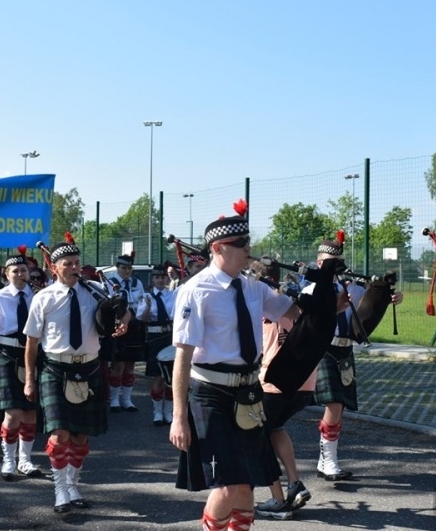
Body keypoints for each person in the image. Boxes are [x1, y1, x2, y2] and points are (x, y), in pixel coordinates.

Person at [169, 200, 301, 531]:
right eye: (241, 244)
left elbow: (296, 316)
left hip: (249, 394)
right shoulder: (195, 291)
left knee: (246, 485)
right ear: (218, 248)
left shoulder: (255, 287)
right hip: (210, 394)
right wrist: (178, 418)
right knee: (227, 485)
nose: (249, 249)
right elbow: (182, 357)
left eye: (248, 242)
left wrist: (329, 299)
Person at [23, 235, 130, 513]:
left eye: (77, 263)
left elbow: (122, 311)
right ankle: (60, 489)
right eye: (68, 263)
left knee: (81, 437)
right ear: (54, 267)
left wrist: (122, 323)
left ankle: (73, 484)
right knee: (60, 435)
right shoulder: (43, 298)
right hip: (56, 368)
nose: (74, 268)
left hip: (90, 367)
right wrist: (30, 380)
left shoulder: (95, 290)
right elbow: (32, 343)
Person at [308, 232, 403, 483]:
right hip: (324, 349)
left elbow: (372, 304)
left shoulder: (355, 288)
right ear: (320, 264)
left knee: (339, 409)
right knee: (334, 404)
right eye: (331, 260)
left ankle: (325, 460)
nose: (337, 264)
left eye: (339, 260)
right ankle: (330, 461)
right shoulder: (311, 288)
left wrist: (390, 297)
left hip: (346, 349)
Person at [252, 258, 317, 520]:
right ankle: (294, 484)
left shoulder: (263, 302)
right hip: (305, 383)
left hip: (274, 383)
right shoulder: (294, 300)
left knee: (257, 437)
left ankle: (279, 500)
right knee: (275, 427)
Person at [0, 247, 42, 481]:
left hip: (33, 355)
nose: (21, 274)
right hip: (8, 353)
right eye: (16, 271)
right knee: (12, 414)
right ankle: (8, 460)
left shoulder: (38, 296)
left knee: (31, 413)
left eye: (24, 270)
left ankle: (25, 460)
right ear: (7, 274)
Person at [105, 253, 145, 413]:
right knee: (118, 365)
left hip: (135, 326)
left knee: (130, 365)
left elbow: (141, 302)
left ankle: (127, 399)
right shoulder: (110, 282)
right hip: (118, 325)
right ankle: (114, 399)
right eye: (123, 268)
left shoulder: (137, 283)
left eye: (129, 268)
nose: (127, 271)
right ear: (117, 267)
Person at [136, 264, 176, 426]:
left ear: (167, 279)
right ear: (152, 279)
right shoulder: (147, 297)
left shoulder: (173, 295)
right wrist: (149, 307)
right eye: (157, 277)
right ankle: (157, 411)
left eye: (162, 277)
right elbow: (142, 319)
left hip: (170, 335)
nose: (160, 280)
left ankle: (169, 411)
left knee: (172, 377)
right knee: (158, 376)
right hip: (154, 336)